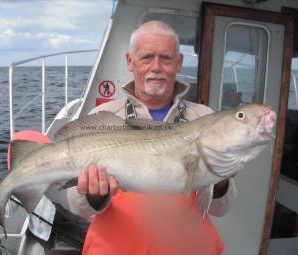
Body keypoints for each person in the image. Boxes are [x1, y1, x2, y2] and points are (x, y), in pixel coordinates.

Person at [67, 20, 237, 255]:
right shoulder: (102, 118)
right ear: (130, 61)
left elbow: (221, 208)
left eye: (166, 58)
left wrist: (219, 178)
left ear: (179, 63)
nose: (156, 67)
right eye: (147, 57)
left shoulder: (204, 118)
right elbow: (77, 206)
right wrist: (94, 196)